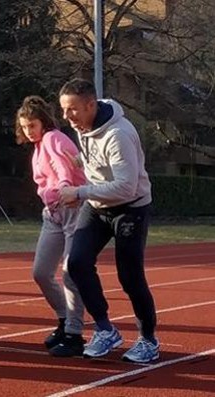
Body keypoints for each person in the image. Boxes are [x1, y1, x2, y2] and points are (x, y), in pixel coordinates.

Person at [57, 78, 158, 363]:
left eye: (73, 110)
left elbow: (126, 186)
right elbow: (98, 163)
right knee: (75, 263)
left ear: (91, 105)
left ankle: (148, 340)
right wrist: (79, 164)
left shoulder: (119, 134)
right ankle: (105, 329)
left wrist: (79, 191)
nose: (67, 117)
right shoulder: (83, 127)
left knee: (130, 277)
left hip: (130, 207)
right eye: (64, 110)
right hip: (98, 206)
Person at [15, 96, 88, 357]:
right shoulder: (38, 146)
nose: (28, 131)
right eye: (24, 127)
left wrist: (66, 188)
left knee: (71, 271)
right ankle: (63, 318)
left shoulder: (53, 138)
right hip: (53, 214)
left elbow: (63, 166)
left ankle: (74, 333)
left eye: (32, 125)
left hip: (72, 207)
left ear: (43, 122)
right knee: (41, 272)